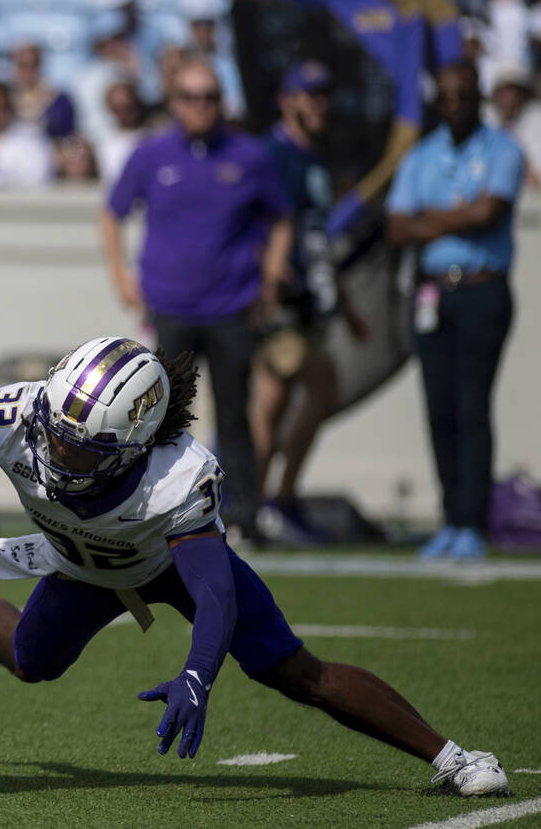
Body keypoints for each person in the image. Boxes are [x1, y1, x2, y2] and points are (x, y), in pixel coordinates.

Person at [0, 336, 510, 797]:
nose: (59, 453)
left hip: (165, 562)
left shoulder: (177, 480)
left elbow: (215, 596)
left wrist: (197, 674)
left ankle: (455, 757)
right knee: (32, 663)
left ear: (133, 443)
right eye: (57, 435)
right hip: (84, 565)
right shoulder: (18, 416)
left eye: (82, 447)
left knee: (296, 672)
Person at [101, 57, 292, 544]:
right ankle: (154, 512)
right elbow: (112, 213)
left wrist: (270, 280)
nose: (200, 106)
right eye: (190, 97)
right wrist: (122, 277)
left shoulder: (249, 156)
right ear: (174, 102)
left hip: (231, 307)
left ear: (221, 102)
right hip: (171, 306)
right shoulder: (151, 154)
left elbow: (282, 218)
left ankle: (245, 514)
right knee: (158, 417)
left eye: (208, 97)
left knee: (235, 415)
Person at [386, 59, 523, 561]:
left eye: (463, 96)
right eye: (446, 97)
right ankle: (449, 517)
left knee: (471, 405)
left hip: (483, 289)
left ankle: (473, 521)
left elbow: (490, 213)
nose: (455, 106)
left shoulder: (502, 149)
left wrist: (430, 217)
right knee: (439, 408)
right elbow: (397, 226)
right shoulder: (422, 154)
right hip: (433, 295)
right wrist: (458, 216)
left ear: (477, 97)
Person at [251, 61, 369, 544]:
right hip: (281, 298)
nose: (319, 104)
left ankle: (272, 498)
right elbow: (252, 222)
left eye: (324, 95)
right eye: (310, 95)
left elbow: (317, 238)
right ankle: (256, 504)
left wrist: (345, 304)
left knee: (317, 390)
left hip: (310, 297)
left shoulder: (315, 159)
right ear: (287, 99)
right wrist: (267, 277)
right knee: (272, 400)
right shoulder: (271, 154)